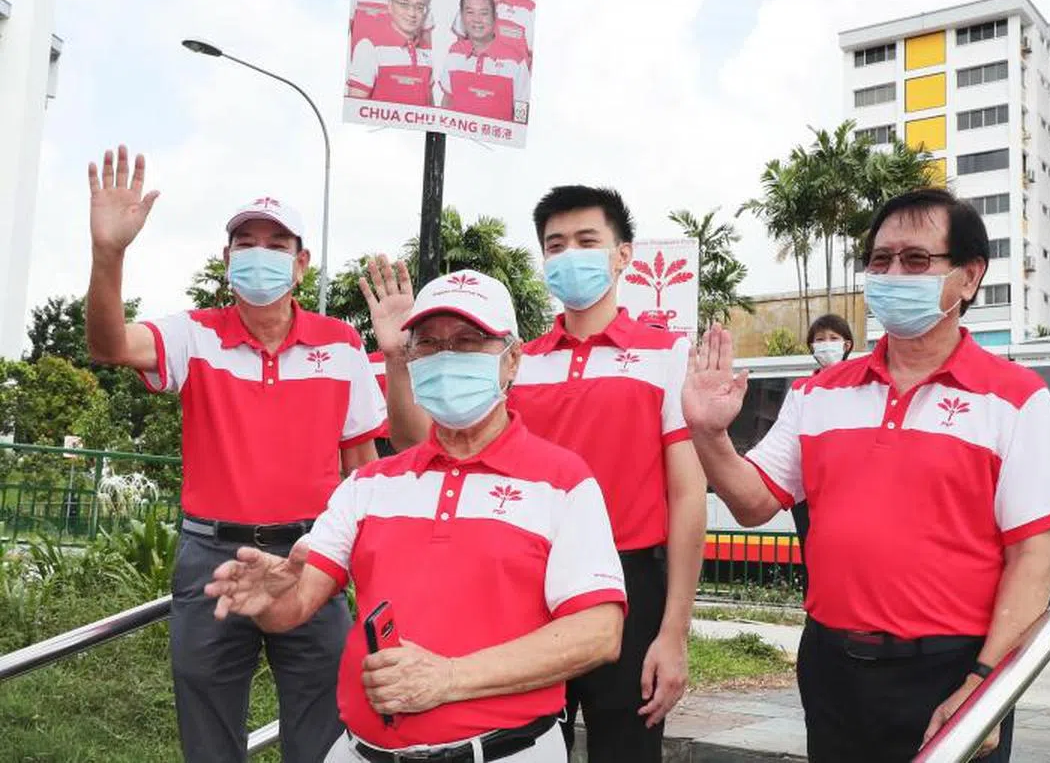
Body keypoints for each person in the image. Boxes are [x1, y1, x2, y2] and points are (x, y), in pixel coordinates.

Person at [681, 188, 1050, 762]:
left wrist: (985, 684)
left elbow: (1034, 561)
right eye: (880, 260)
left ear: (969, 278)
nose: (893, 273)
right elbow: (752, 503)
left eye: (917, 260)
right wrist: (709, 433)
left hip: (950, 669)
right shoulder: (817, 395)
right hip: (830, 664)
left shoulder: (1015, 400)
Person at [206, 269, 627, 763]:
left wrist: (448, 679)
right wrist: (268, 599)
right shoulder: (370, 485)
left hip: (505, 753)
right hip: (360, 752)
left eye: (469, 342)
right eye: (428, 344)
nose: (447, 357)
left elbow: (598, 633)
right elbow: (297, 602)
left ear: (512, 360)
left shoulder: (562, 482)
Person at [366, 186, 708, 763]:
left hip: (628, 584)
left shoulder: (665, 354)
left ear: (623, 254)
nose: (568, 254)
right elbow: (413, 441)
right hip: (523, 579)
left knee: (625, 749)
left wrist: (673, 633)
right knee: (514, 741)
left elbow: (688, 493)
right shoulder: (515, 359)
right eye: (555, 245)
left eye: (586, 240)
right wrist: (398, 359)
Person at [84, 148, 386, 762]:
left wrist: (366, 566)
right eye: (245, 242)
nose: (260, 254)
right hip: (212, 558)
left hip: (310, 556)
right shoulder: (195, 334)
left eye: (277, 244)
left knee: (325, 726)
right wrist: (109, 251)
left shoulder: (341, 343)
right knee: (209, 730)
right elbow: (110, 344)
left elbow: (364, 467)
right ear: (227, 261)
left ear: (301, 264)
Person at [790, 314, 855, 591]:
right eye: (819, 340)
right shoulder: (802, 391)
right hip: (807, 491)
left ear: (847, 344)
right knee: (813, 557)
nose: (826, 345)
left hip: (847, 488)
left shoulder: (861, 387)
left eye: (833, 339)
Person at [439, 0, 531, 123]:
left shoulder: (515, 60)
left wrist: (515, 136)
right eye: (470, 12)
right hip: (457, 138)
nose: (477, 19)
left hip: (496, 140)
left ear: (495, 17)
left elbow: (522, 108)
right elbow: (448, 99)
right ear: (462, 17)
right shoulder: (455, 52)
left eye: (484, 13)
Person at [347, 0, 434, 106]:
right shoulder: (369, 47)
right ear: (390, 6)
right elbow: (355, 108)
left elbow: (429, 104)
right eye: (404, 4)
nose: (412, 13)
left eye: (419, 7)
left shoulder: (426, 50)